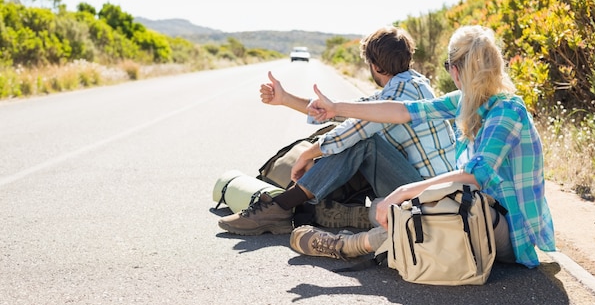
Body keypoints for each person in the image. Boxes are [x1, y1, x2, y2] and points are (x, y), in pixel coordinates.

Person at [291, 25, 555, 268]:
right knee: (416, 207)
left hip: (508, 229)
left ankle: (348, 246)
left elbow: (475, 176)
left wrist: (405, 191)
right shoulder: (468, 100)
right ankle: (357, 225)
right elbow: (405, 111)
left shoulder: (506, 111)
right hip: (477, 209)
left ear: (455, 69)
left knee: (432, 212)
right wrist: (337, 108)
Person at [218, 26, 456, 236]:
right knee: (357, 138)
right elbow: (350, 111)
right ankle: (292, 206)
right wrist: (285, 98)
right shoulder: (414, 83)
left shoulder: (398, 93)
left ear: (374, 66)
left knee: (365, 143)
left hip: (427, 197)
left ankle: (279, 207)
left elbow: (354, 130)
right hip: (437, 190)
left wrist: (307, 154)